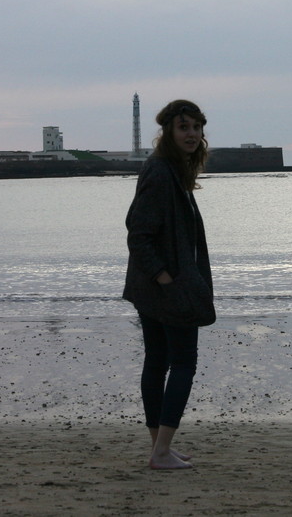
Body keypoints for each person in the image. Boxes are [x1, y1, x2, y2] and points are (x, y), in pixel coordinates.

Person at [123, 99, 214, 470]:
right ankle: (160, 451)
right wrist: (167, 279)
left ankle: (159, 448)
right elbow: (137, 232)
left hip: (155, 287)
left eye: (196, 127)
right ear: (168, 132)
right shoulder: (161, 172)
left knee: (158, 362)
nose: (191, 134)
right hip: (164, 287)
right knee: (183, 363)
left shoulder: (170, 169)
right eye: (184, 127)